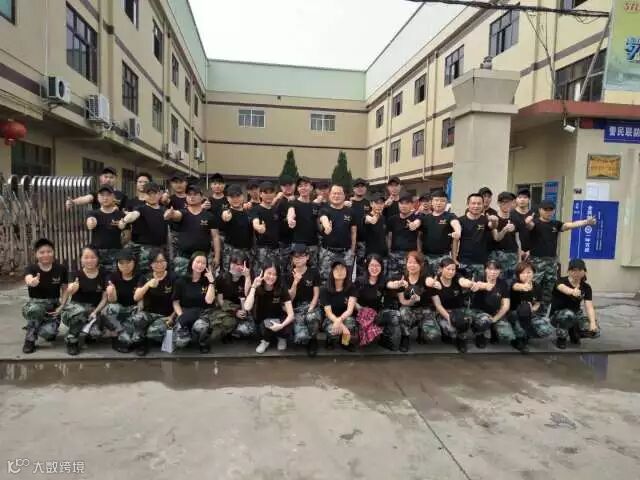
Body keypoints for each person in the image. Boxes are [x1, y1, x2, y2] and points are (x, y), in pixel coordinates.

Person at [526, 199, 596, 310]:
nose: (548, 212)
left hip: (551, 261)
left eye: (551, 210)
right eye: (545, 209)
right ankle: (530, 311)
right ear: (540, 210)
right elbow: (529, 226)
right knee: (533, 286)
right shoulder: (535, 222)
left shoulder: (555, 224)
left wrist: (586, 222)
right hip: (536, 261)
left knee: (550, 288)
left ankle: (544, 314)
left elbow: (569, 225)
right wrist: (527, 222)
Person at [21, 239, 69, 354]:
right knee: (35, 310)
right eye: (42, 252)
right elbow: (28, 278)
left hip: (53, 306)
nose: (46, 255)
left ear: (53, 252)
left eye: (49, 251)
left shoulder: (61, 269)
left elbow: (65, 289)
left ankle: (38, 326)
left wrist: (62, 306)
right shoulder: (31, 268)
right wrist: (32, 282)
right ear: (36, 254)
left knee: (49, 334)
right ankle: (30, 339)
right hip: (35, 304)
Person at [60, 246, 108, 356]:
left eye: (93, 257)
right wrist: (72, 289)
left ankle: (88, 334)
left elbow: (104, 298)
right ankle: (72, 340)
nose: (89, 260)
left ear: (98, 258)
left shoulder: (104, 274)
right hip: (76, 311)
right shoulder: (76, 274)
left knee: (95, 334)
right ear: (81, 259)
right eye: (86, 257)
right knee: (80, 313)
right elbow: (69, 290)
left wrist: (95, 312)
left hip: (93, 311)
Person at [165, 184, 221, 277]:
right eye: (189, 194)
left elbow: (215, 237)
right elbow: (176, 214)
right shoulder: (183, 213)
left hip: (203, 258)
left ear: (202, 197)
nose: (192, 197)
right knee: (181, 282)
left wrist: (217, 257)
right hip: (184, 258)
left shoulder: (209, 216)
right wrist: (171, 213)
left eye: (195, 194)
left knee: (204, 282)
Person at [131, 249, 176, 356]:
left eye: (162, 261)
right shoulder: (145, 277)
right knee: (138, 318)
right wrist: (147, 285)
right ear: (151, 264)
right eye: (156, 261)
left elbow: (179, 301)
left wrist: (172, 317)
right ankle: (142, 343)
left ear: (166, 262)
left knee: (153, 332)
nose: (159, 264)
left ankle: (146, 338)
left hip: (165, 316)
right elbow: (136, 297)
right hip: (148, 313)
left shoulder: (174, 278)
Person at [244, 262, 295, 354]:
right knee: (265, 325)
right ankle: (265, 341)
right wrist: (253, 287)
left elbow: (291, 314)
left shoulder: (281, 287)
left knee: (288, 324)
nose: (271, 277)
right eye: (269, 273)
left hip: (278, 318)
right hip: (262, 319)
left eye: (274, 274)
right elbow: (247, 307)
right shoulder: (257, 287)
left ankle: (281, 338)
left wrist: (281, 326)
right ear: (262, 273)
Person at [549, 259, 599, 349]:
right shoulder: (561, 281)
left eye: (580, 270)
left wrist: (592, 323)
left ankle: (574, 333)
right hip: (557, 316)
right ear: (568, 271)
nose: (577, 273)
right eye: (574, 270)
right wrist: (572, 291)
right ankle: (561, 338)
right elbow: (562, 288)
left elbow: (589, 306)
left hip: (575, 314)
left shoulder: (586, 287)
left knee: (595, 332)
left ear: (584, 271)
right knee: (568, 315)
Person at [431, 258, 479, 353]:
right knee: (451, 329)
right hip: (443, 312)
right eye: (448, 269)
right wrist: (449, 318)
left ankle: (461, 339)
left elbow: (463, 281)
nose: (451, 272)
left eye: (453, 269)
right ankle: (446, 334)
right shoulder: (435, 282)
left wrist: (471, 284)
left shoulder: (457, 276)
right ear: (441, 269)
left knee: (465, 322)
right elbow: (438, 305)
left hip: (458, 309)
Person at [172, 252, 217, 353]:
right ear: (191, 263)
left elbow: (209, 301)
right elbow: (176, 302)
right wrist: (181, 315)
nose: (200, 265)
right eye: (197, 262)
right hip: (185, 313)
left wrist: (211, 282)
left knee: (201, 326)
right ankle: (189, 336)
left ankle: (203, 342)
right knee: (180, 342)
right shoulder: (181, 281)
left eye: (203, 263)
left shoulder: (207, 281)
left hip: (202, 313)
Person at [396, 251, 440, 352]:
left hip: (424, 309)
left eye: (415, 263)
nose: (412, 265)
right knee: (403, 312)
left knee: (433, 335)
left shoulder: (426, 276)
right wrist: (411, 301)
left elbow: (429, 281)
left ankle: (421, 330)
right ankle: (405, 337)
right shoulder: (402, 277)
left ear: (421, 264)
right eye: (410, 262)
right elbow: (402, 301)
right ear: (406, 263)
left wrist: (433, 284)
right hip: (408, 309)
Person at [120, 182, 168, 275]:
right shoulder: (140, 209)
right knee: (143, 275)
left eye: (154, 193)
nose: (152, 196)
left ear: (159, 194)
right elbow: (133, 215)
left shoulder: (164, 210)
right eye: (149, 194)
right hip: (143, 250)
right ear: (144, 195)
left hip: (160, 250)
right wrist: (125, 220)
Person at [468, 260, 514, 349]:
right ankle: (479, 335)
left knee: (507, 334)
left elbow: (506, 306)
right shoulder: (479, 278)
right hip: (479, 312)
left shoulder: (503, 283)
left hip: (495, 312)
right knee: (483, 322)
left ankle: (493, 329)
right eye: (490, 269)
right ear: (485, 270)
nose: (493, 272)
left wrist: (494, 319)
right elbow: (474, 286)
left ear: (500, 271)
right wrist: (481, 285)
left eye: (496, 269)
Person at [509, 261, 553, 353]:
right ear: (518, 275)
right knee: (524, 307)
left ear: (533, 273)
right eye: (522, 273)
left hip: (529, 314)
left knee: (547, 329)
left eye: (529, 272)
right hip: (514, 314)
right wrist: (523, 287)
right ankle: (518, 339)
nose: (526, 275)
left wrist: (532, 309)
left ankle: (527, 333)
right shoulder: (514, 283)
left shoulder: (537, 286)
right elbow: (515, 286)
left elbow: (537, 303)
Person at [286, 244, 322, 356]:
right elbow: (290, 299)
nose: (298, 259)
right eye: (295, 257)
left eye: (301, 256)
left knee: (311, 317)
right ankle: (303, 334)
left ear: (307, 257)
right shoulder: (288, 274)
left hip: (311, 305)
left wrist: (310, 308)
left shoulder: (314, 272)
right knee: (301, 337)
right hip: (296, 307)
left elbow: (316, 294)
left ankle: (313, 340)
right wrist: (295, 282)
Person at [102, 250, 140, 353]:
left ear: (134, 262)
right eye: (121, 263)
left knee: (132, 339)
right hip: (119, 310)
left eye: (128, 262)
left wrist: (140, 304)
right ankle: (116, 336)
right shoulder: (112, 277)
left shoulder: (140, 276)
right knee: (111, 308)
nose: (125, 266)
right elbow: (112, 301)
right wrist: (111, 292)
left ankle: (130, 336)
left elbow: (140, 298)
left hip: (133, 310)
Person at [454, 193, 498, 281]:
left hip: (481, 263)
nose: (476, 206)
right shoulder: (460, 220)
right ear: (468, 204)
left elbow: (492, 226)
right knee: (464, 287)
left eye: (479, 203)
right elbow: (455, 240)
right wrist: (454, 258)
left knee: (481, 287)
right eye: (473, 203)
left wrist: (494, 221)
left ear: (483, 205)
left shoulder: (485, 220)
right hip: (464, 261)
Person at [318, 184, 357, 282]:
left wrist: (352, 250)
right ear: (329, 195)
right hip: (328, 252)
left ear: (344, 196)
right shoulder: (324, 209)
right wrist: (327, 226)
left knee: (345, 279)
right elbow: (323, 218)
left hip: (346, 253)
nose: (336, 196)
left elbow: (353, 232)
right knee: (326, 279)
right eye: (334, 193)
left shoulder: (350, 212)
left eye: (339, 193)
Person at [86, 185, 126, 274]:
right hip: (97, 253)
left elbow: (127, 233)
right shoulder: (93, 213)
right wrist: (91, 222)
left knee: (114, 278)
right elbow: (90, 223)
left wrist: (123, 225)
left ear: (113, 197)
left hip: (116, 252)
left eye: (108, 195)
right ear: (98, 197)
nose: (105, 198)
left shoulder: (120, 215)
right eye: (102, 195)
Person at [418, 189, 461, 273]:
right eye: (436, 200)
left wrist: (458, 231)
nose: (439, 203)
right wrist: (419, 252)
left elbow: (456, 224)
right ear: (431, 202)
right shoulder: (425, 218)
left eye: (442, 201)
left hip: (443, 257)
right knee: (426, 278)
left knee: (442, 279)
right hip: (426, 257)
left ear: (446, 203)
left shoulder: (450, 216)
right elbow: (419, 237)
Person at [214, 253, 254, 340]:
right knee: (225, 323)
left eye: (240, 264)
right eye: (234, 263)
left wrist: (247, 277)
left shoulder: (249, 278)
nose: (236, 267)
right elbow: (220, 300)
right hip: (228, 308)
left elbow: (248, 296)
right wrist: (235, 311)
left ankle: (236, 330)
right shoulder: (222, 278)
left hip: (245, 308)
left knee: (246, 330)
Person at [320, 259, 358, 351]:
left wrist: (340, 321)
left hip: (345, 317)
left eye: (342, 269)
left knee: (350, 323)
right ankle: (330, 340)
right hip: (330, 318)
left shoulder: (351, 287)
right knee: (331, 329)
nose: (339, 271)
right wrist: (342, 327)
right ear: (332, 272)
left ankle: (344, 342)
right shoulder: (324, 289)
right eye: (336, 269)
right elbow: (328, 313)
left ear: (347, 271)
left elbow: (350, 310)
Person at [353, 254, 389, 349]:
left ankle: (383, 338)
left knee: (392, 316)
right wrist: (363, 310)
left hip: (377, 314)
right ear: (367, 266)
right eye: (372, 265)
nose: (374, 268)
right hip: (361, 313)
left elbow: (391, 286)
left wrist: (397, 284)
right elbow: (353, 301)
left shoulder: (384, 281)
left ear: (381, 267)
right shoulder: (359, 281)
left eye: (377, 265)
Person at [287, 176, 320, 267]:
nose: (303, 188)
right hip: (298, 244)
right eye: (300, 186)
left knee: (312, 270)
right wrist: (290, 220)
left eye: (305, 185)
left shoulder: (315, 206)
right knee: (297, 270)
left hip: (313, 244)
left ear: (311, 187)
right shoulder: (293, 203)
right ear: (297, 189)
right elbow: (291, 212)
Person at [386, 194, 422, 279]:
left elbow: (419, 235)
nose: (403, 206)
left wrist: (415, 224)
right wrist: (389, 251)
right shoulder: (392, 219)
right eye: (401, 203)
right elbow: (389, 236)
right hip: (394, 255)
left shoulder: (417, 217)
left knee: (410, 279)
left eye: (407, 203)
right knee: (393, 279)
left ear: (412, 205)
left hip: (411, 256)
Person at [220, 184, 254, 272]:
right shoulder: (227, 212)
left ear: (243, 197)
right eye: (232, 197)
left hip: (247, 253)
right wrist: (225, 216)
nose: (235, 199)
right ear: (227, 198)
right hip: (231, 253)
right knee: (229, 277)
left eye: (238, 196)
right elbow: (225, 216)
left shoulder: (248, 213)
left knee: (246, 277)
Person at [250, 181, 281, 277]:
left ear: (274, 194)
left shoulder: (276, 210)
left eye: (271, 192)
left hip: (276, 250)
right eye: (265, 192)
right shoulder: (255, 209)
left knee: (275, 276)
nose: (268, 195)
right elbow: (255, 222)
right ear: (260, 194)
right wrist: (258, 227)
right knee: (260, 276)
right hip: (262, 250)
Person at [489, 191, 519, 282]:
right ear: (499, 203)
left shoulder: (515, 218)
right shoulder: (494, 219)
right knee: (497, 282)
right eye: (504, 202)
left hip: (512, 255)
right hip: (498, 255)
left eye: (509, 202)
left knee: (512, 282)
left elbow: (518, 240)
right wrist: (505, 230)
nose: (507, 205)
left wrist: (520, 259)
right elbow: (496, 238)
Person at [275, 175, 297, 273]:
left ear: (294, 185)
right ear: (281, 187)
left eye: (290, 185)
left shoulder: (299, 200)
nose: (288, 187)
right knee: (281, 271)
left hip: (297, 242)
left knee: (295, 270)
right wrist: (276, 199)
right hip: (282, 243)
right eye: (285, 185)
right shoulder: (277, 201)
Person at [350, 178, 371, 266]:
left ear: (365, 189)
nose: (360, 188)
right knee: (348, 267)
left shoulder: (368, 203)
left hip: (364, 242)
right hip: (349, 241)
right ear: (353, 189)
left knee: (362, 267)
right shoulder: (348, 202)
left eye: (362, 186)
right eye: (357, 186)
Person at [510, 188, 534, 261]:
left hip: (531, 254)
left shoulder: (533, 215)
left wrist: (531, 251)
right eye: (520, 197)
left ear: (529, 200)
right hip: (514, 253)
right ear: (516, 200)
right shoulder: (510, 214)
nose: (522, 200)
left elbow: (538, 235)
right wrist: (518, 250)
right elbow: (508, 236)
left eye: (525, 197)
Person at [363, 195, 388, 262]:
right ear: (371, 204)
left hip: (384, 254)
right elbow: (367, 219)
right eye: (377, 203)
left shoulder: (383, 218)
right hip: (371, 255)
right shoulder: (367, 216)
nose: (379, 205)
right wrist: (371, 219)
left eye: (381, 203)